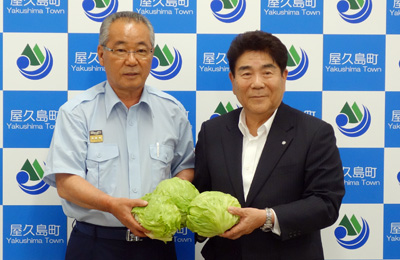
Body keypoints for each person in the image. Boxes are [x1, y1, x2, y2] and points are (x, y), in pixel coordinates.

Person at [43, 11, 194, 260]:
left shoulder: (173, 111)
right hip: (95, 245)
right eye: (121, 50)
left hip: (157, 245)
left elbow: (186, 168)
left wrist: (169, 202)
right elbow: (67, 183)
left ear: (152, 55)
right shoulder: (76, 112)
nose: (132, 60)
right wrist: (112, 205)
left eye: (141, 51)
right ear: (102, 55)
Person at [193, 30, 345, 260]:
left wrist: (267, 217)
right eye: (246, 73)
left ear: (284, 76)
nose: (257, 83)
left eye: (267, 72)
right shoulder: (212, 132)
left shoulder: (315, 133)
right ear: (232, 80)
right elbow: (200, 194)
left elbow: (326, 204)